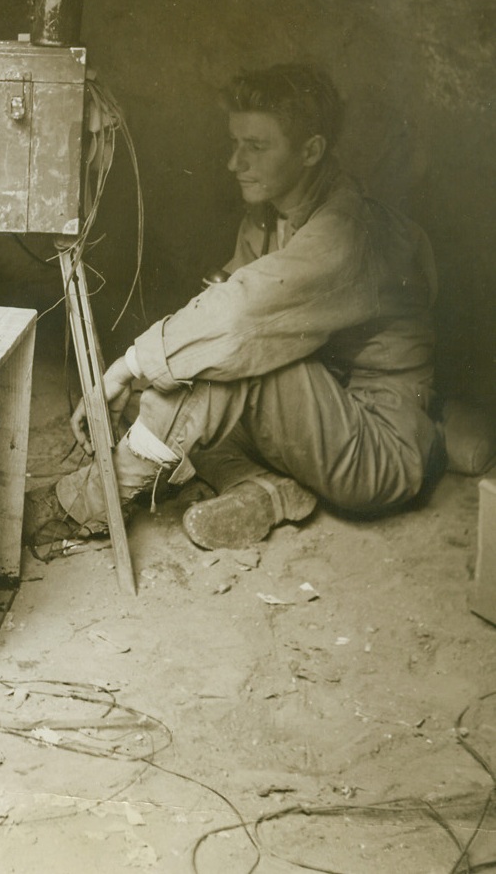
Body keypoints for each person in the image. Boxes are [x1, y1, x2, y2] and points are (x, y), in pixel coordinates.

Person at [25, 63, 443, 557]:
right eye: (235, 143)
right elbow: (213, 310)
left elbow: (236, 322)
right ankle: (266, 489)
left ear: (310, 150)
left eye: (257, 147)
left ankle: (89, 504)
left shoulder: (348, 233)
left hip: (374, 449)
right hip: (315, 419)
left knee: (217, 368)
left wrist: (126, 367)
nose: (234, 163)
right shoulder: (268, 217)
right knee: (178, 386)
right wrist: (145, 378)